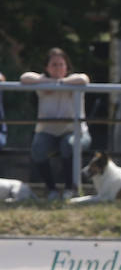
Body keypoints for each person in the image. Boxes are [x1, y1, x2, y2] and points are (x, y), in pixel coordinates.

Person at [21, 48, 90, 200]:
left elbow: (84, 79)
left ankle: (70, 189)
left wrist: (59, 83)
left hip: (76, 132)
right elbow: (25, 78)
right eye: (54, 65)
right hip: (48, 132)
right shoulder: (41, 82)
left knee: (69, 145)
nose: (58, 68)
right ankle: (51, 189)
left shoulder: (74, 80)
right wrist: (49, 83)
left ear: (67, 67)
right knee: (38, 149)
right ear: (47, 67)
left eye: (61, 64)